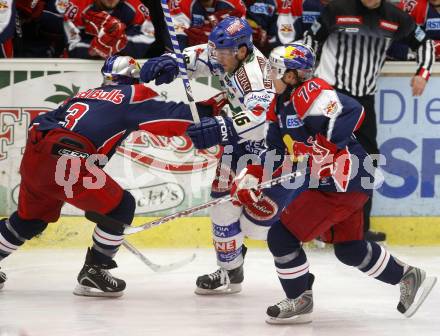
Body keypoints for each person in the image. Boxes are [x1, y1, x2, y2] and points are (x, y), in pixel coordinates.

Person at [231, 42, 437, 324]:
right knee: (349, 249)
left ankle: (299, 299)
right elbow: (275, 152)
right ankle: (410, 277)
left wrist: (326, 147)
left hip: (345, 180)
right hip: (340, 184)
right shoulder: (278, 107)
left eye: (275, 71)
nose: (269, 77)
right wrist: (254, 174)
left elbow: (352, 111)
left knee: (282, 237)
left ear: (292, 76)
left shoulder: (309, 91)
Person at [0, 55, 216, 296]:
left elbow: (42, 121)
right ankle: (95, 271)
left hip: (35, 157)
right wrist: (213, 106)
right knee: (121, 207)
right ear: (134, 78)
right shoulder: (133, 95)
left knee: (30, 219)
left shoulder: (84, 95)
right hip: (68, 161)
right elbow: (177, 117)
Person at [141, 17, 295, 295]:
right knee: (222, 206)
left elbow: (259, 119)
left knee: (256, 226)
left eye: (223, 53)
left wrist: (221, 126)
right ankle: (229, 272)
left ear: (242, 51)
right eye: (218, 50)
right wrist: (171, 62)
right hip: (236, 144)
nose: (218, 57)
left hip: (264, 149)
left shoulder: (256, 75)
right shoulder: (227, 53)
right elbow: (199, 56)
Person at [302, 0, 435, 242]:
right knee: (323, 157)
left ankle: (358, 230)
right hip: (331, 95)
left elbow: (425, 42)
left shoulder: (395, 17)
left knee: (367, 163)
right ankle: (316, 226)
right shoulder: (337, 9)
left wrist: (423, 74)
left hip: (364, 101)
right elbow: (310, 40)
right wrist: (306, 75)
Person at [63, 0, 155, 58]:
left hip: (122, 68)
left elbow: (146, 40)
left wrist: (112, 46)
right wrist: (95, 48)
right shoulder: (76, 8)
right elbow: (70, 46)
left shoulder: (137, 8)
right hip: (79, 69)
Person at [168, 0, 246, 50]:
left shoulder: (234, 3)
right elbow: (177, 40)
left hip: (227, 55)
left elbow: (242, 36)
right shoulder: (179, 3)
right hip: (194, 57)